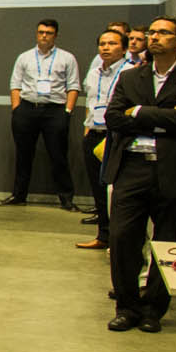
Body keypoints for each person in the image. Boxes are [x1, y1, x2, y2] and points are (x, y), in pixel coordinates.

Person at [105, 16, 176, 333]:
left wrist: (139, 112)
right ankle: (127, 307)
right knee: (122, 238)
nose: (154, 37)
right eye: (152, 32)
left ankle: (153, 309)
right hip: (132, 167)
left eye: (163, 33)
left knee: (167, 243)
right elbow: (113, 118)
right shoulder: (130, 77)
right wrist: (168, 116)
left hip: (174, 170)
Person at [1, 18, 82, 210]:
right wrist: (16, 109)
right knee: (23, 155)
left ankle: (66, 199)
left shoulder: (67, 58)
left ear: (56, 35)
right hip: (27, 108)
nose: (44, 36)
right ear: (36, 34)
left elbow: (73, 86)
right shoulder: (24, 57)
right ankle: (19, 195)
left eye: (48, 33)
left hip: (55, 111)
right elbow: (15, 84)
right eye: (41, 32)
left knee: (58, 156)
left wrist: (67, 112)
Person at [78, 28, 130, 250]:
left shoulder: (131, 72)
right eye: (102, 44)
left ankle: (119, 240)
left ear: (124, 49)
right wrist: (87, 128)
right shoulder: (94, 72)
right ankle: (103, 235)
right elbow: (91, 103)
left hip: (116, 136)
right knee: (98, 189)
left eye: (112, 43)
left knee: (116, 191)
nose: (106, 48)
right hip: (94, 132)